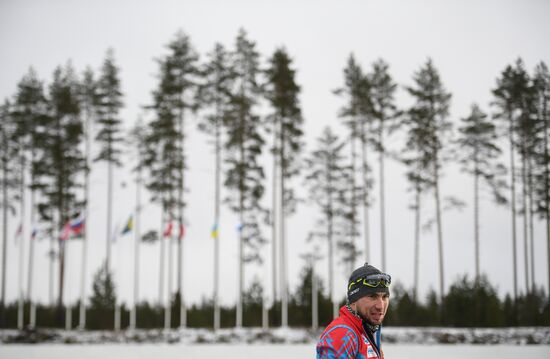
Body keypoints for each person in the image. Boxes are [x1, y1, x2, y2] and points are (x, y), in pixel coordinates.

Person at [316, 263, 391, 359]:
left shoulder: (368, 331)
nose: (380, 306)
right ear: (354, 300)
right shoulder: (342, 333)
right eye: (372, 296)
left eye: (385, 297)